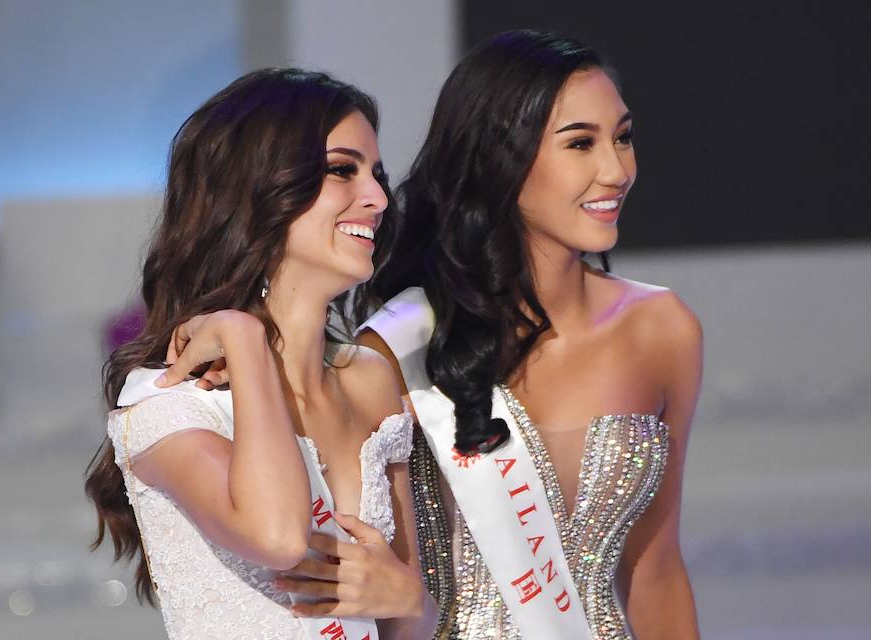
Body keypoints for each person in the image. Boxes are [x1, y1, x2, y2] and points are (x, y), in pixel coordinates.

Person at [350, 30, 702, 639]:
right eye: (580, 144)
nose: (616, 170)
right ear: (500, 158)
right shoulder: (400, 345)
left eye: (623, 138)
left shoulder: (663, 329)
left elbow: (656, 571)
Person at [84, 68, 436, 640]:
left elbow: (405, 621)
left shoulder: (369, 379)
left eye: (377, 174)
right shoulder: (171, 401)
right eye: (342, 170)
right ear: (260, 189)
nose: (375, 198)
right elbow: (277, 537)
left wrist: (410, 600)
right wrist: (243, 339)